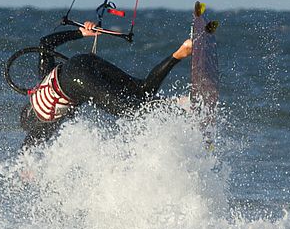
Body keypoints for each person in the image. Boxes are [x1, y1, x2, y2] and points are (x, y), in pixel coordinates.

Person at [19, 21, 193, 147]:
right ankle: (182, 51)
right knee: (142, 90)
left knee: (131, 110)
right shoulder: (42, 79)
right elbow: (45, 43)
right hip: (81, 61)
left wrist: (26, 168)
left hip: (77, 80)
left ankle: (178, 102)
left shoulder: (40, 126)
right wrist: (81, 32)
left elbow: (28, 144)